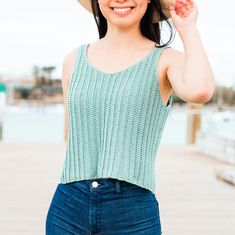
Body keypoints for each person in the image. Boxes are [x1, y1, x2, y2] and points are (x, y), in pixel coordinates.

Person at [45, 0, 215, 234]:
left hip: (133, 211)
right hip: (68, 206)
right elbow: (74, 135)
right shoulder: (73, 60)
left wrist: (187, 28)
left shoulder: (165, 59)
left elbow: (200, 90)